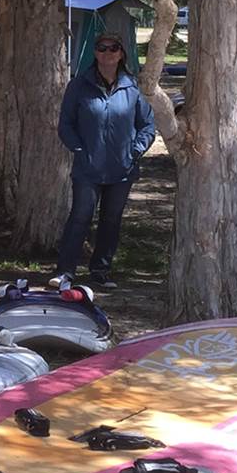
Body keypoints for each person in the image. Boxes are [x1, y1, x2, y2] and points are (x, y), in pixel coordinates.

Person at [55, 33, 156, 289]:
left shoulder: (132, 87)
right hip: (87, 168)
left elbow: (147, 125)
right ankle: (65, 272)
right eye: (102, 48)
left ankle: (100, 271)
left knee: (111, 220)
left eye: (113, 48)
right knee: (80, 217)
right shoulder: (79, 85)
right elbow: (66, 124)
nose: (107, 53)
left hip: (122, 169)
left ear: (121, 54)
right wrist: (79, 148)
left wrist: (135, 151)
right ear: (95, 53)